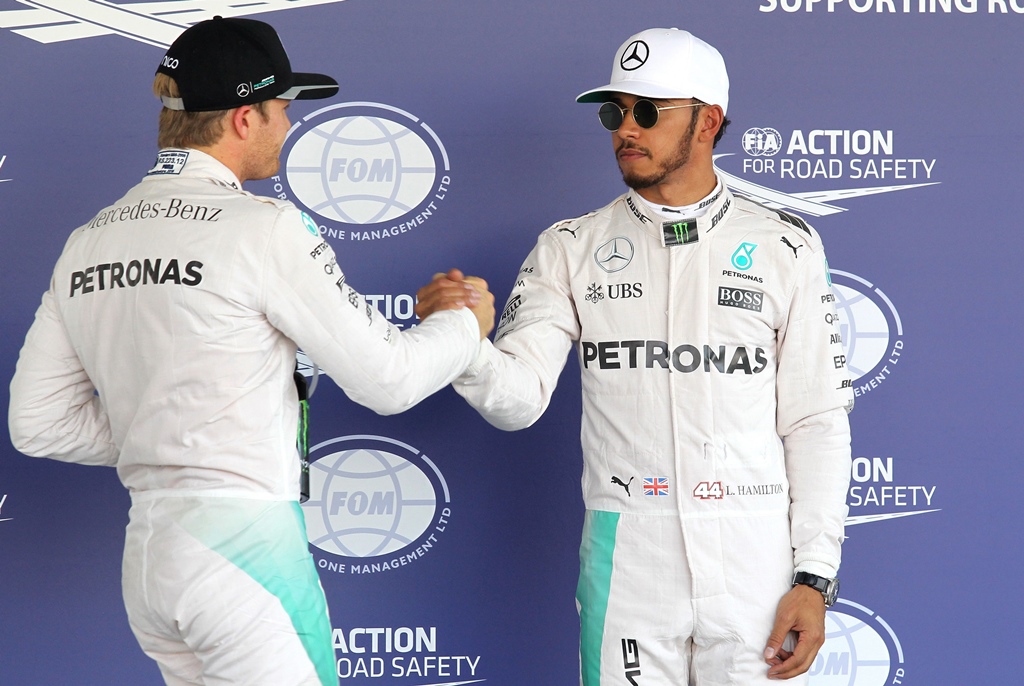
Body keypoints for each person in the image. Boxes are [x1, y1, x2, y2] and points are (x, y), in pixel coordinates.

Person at [8, 17, 492, 686]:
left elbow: (36, 423)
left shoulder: (88, 240)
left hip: (149, 556)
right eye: (283, 110)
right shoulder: (265, 229)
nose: (289, 128)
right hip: (245, 555)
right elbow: (390, 380)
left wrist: (166, 430)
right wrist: (465, 325)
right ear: (243, 118)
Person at [418, 28, 853, 685]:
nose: (626, 128)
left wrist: (814, 578)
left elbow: (815, 420)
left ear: (707, 122)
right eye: (614, 111)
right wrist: (462, 341)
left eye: (647, 112)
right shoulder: (569, 247)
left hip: (754, 561)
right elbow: (517, 401)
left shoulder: (785, 246)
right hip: (628, 562)